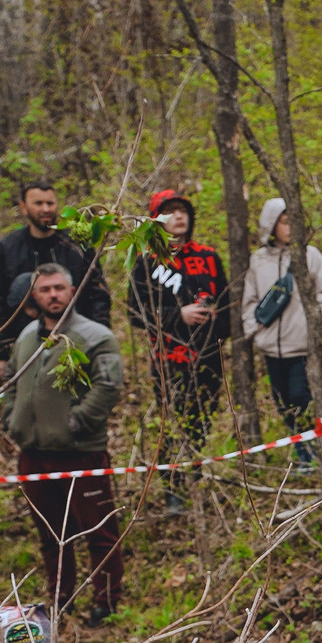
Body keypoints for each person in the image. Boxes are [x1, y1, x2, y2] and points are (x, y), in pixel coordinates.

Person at [8, 263, 128, 623]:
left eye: (59, 288)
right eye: (45, 290)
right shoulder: (26, 337)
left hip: (80, 452)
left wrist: (77, 421)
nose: (53, 295)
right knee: (51, 535)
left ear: (72, 292)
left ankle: (106, 602)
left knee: (99, 531)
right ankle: (61, 599)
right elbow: (10, 380)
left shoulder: (95, 336)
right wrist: (11, 418)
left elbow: (109, 385)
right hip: (33, 454)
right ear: (34, 295)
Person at [127, 188, 230, 512]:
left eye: (183, 210)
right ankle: (172, 489)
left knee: (202, 420)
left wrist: (218, 331)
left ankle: (194, 479)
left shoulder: (209, 256)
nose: (179, 216)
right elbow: (134, 312)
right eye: (170, 211)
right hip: (168, 358)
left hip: (208, 354)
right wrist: (177, 316)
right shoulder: (146, 261)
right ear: (156, 220)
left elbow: (227, 303)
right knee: (173, 422)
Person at [237, 197, 322, 466]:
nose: (289, 226)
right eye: (283, 221)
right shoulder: (259, 260)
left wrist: (315, 327)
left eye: (293, 220)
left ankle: (311, 456)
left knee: (300, 398)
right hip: (271, 349)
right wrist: (256, 331)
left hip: (302, 348)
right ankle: (302, 452)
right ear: (271, 225)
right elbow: (249, 301)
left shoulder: (310, 255)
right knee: (282, 402)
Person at [0, 182, 114, 365]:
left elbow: (98, 293)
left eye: (50, 203)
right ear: (23, 207)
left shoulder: (77, 246)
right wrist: (2, 354)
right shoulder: (8, 249)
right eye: (38, 203)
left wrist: (99, 338)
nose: (46, 209)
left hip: (76, 344)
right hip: (26, 348)